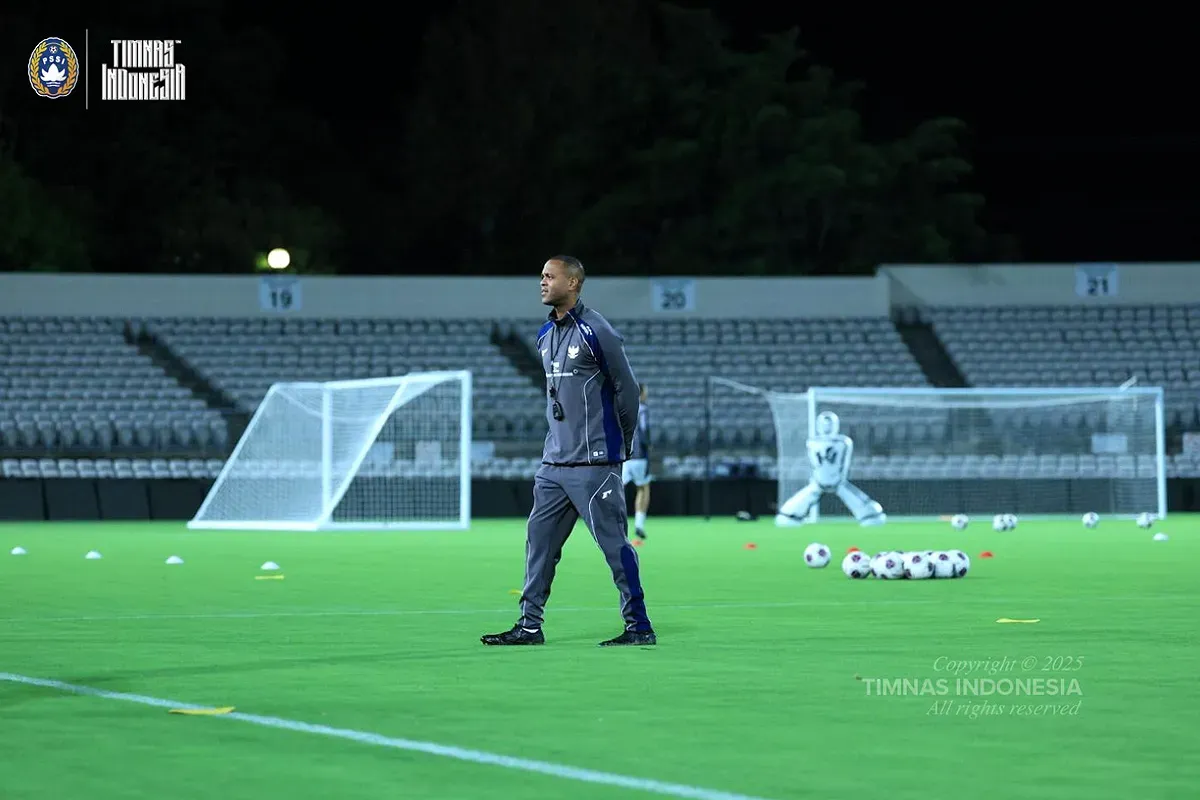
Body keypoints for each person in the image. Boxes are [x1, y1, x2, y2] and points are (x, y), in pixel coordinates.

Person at [481, 256, 655, 647]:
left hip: (595, 466)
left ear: (573, 283)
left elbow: (627, 391)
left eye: (550, 276)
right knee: (538, 546)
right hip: (553, 465)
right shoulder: (545, 335)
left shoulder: (598, 330)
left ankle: (639, 626)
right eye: (541, 275)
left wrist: (621, 445)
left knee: (615, 548)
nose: (542, 282)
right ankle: (529, 626)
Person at [774, 410, 887, 527]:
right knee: (796, 506)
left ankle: (870, 516)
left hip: (837, 480)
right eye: (824, 424)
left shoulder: (843, 442)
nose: (826, 427)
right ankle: (789, 516)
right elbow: (813, 464)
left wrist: (840, 478)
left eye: (829, 424)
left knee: (854, 499)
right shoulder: (813, 442)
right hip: (819, 481)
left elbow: (845, 463)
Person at [621, 383, 652, 539]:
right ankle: (639, 524)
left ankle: (614, 523)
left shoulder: (623, 406)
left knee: (618, 489)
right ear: (641, 393)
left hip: (623, 456)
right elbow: (644, 430)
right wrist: (649, 446)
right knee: (643, 488)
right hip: (639, 456)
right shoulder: (643, 409)